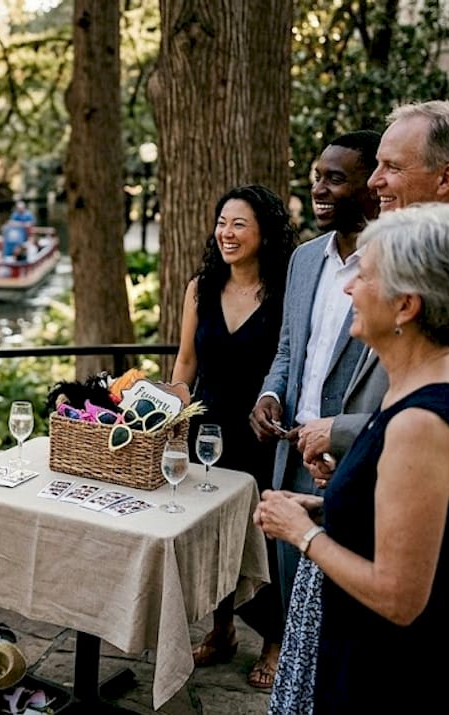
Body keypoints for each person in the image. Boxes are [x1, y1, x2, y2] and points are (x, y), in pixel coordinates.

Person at [257, 203, 449, 713]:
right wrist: (331, 500)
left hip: (405, 677)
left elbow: (399, 597)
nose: (348, 288)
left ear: (405, 305)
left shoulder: (420, 425)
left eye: (364, 275)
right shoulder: (431, 379)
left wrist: (301, 532)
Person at [246, 131, 381, 640]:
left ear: (373, 187)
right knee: (292, 603)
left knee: (344, 617)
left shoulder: (393, 267)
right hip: (291, 458)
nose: (319, 189)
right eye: (316, 177)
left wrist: (342, 433)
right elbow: (287, 350)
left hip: (352, 464)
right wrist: (269, 394)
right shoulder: (304, 260)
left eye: (336, 179)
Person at [170, 185, 296, 687]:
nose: (227, 233)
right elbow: (185, 364)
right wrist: (171, 409)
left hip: (262, 434)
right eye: (222, 222)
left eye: (239, 224)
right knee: (215, 534)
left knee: (265, 535)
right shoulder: (200, 288)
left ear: (264, 232)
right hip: (207, 433)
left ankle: (274, 640)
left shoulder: (287, 291)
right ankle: (222, 630)